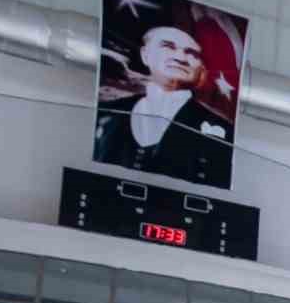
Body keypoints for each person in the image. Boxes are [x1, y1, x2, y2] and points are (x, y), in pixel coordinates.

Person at [94, 24, 234, 187]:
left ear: (201, 68)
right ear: (145, 55)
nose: (180, 58)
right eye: (168, 46)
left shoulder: (225, 133)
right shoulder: (106, 113)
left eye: (192, 53)